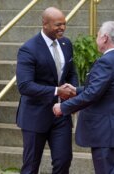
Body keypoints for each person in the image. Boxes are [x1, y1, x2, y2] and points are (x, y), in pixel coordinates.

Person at [53, 21, 114, 174]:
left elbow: (92, 94)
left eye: (97, 36)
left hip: (105, 133)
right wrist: (76, 90)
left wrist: (63, 107)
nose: (96, 40)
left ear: (105, 38)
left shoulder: (106, 62)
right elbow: (104, 88)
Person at [16, 7, 78, 174]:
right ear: (45, 24)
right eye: (58, 25)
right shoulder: (28, 49)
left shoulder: (66, 44)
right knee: (30, 166)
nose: (62, 28)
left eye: (64, 24)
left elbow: (71, 72)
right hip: (35, 116)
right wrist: (57, 91)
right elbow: (25, 86)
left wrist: (72, 94)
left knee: (63, 161)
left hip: (61, 115)